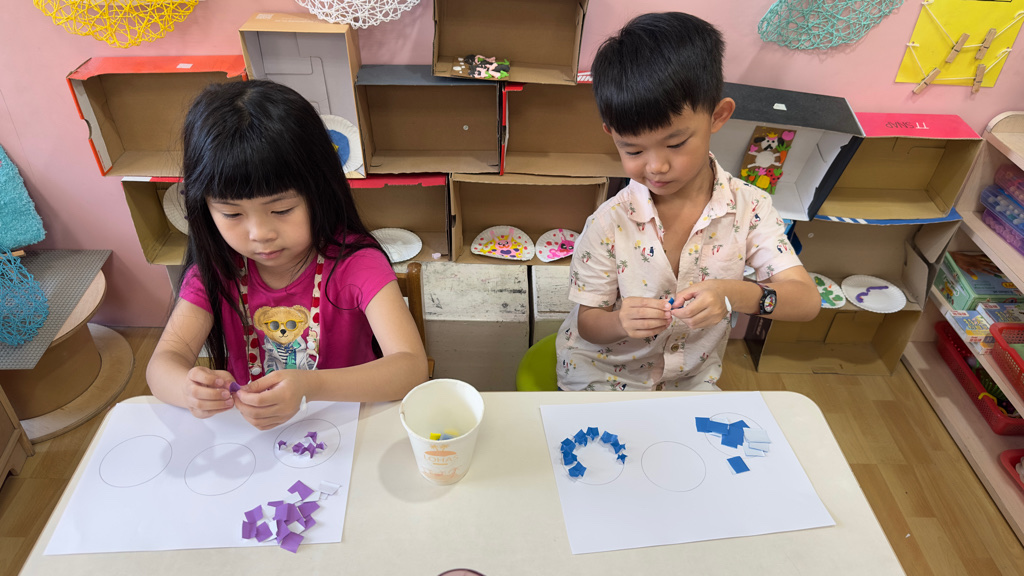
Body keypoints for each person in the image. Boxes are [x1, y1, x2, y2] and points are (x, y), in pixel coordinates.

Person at [556, 12, 820, 391]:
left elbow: (806, 301)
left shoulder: (750, 208)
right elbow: (588, 324)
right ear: (612, 134)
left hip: (689, 379)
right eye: (632, 149)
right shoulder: (608, 222)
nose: (656, 166)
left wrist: (733, 294)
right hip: (604, 373)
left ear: (718, 116)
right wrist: (619, 321)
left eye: (676, 143)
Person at [147, 80, 429, 430]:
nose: (259, 233)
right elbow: (162, 365)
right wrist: (187, 390)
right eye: (231, 214)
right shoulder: (217, 270)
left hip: (351, 429)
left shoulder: (356, 264)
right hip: (259, 436)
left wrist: (310, 385)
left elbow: (410, 367)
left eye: (281, 210)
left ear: (319, 192)